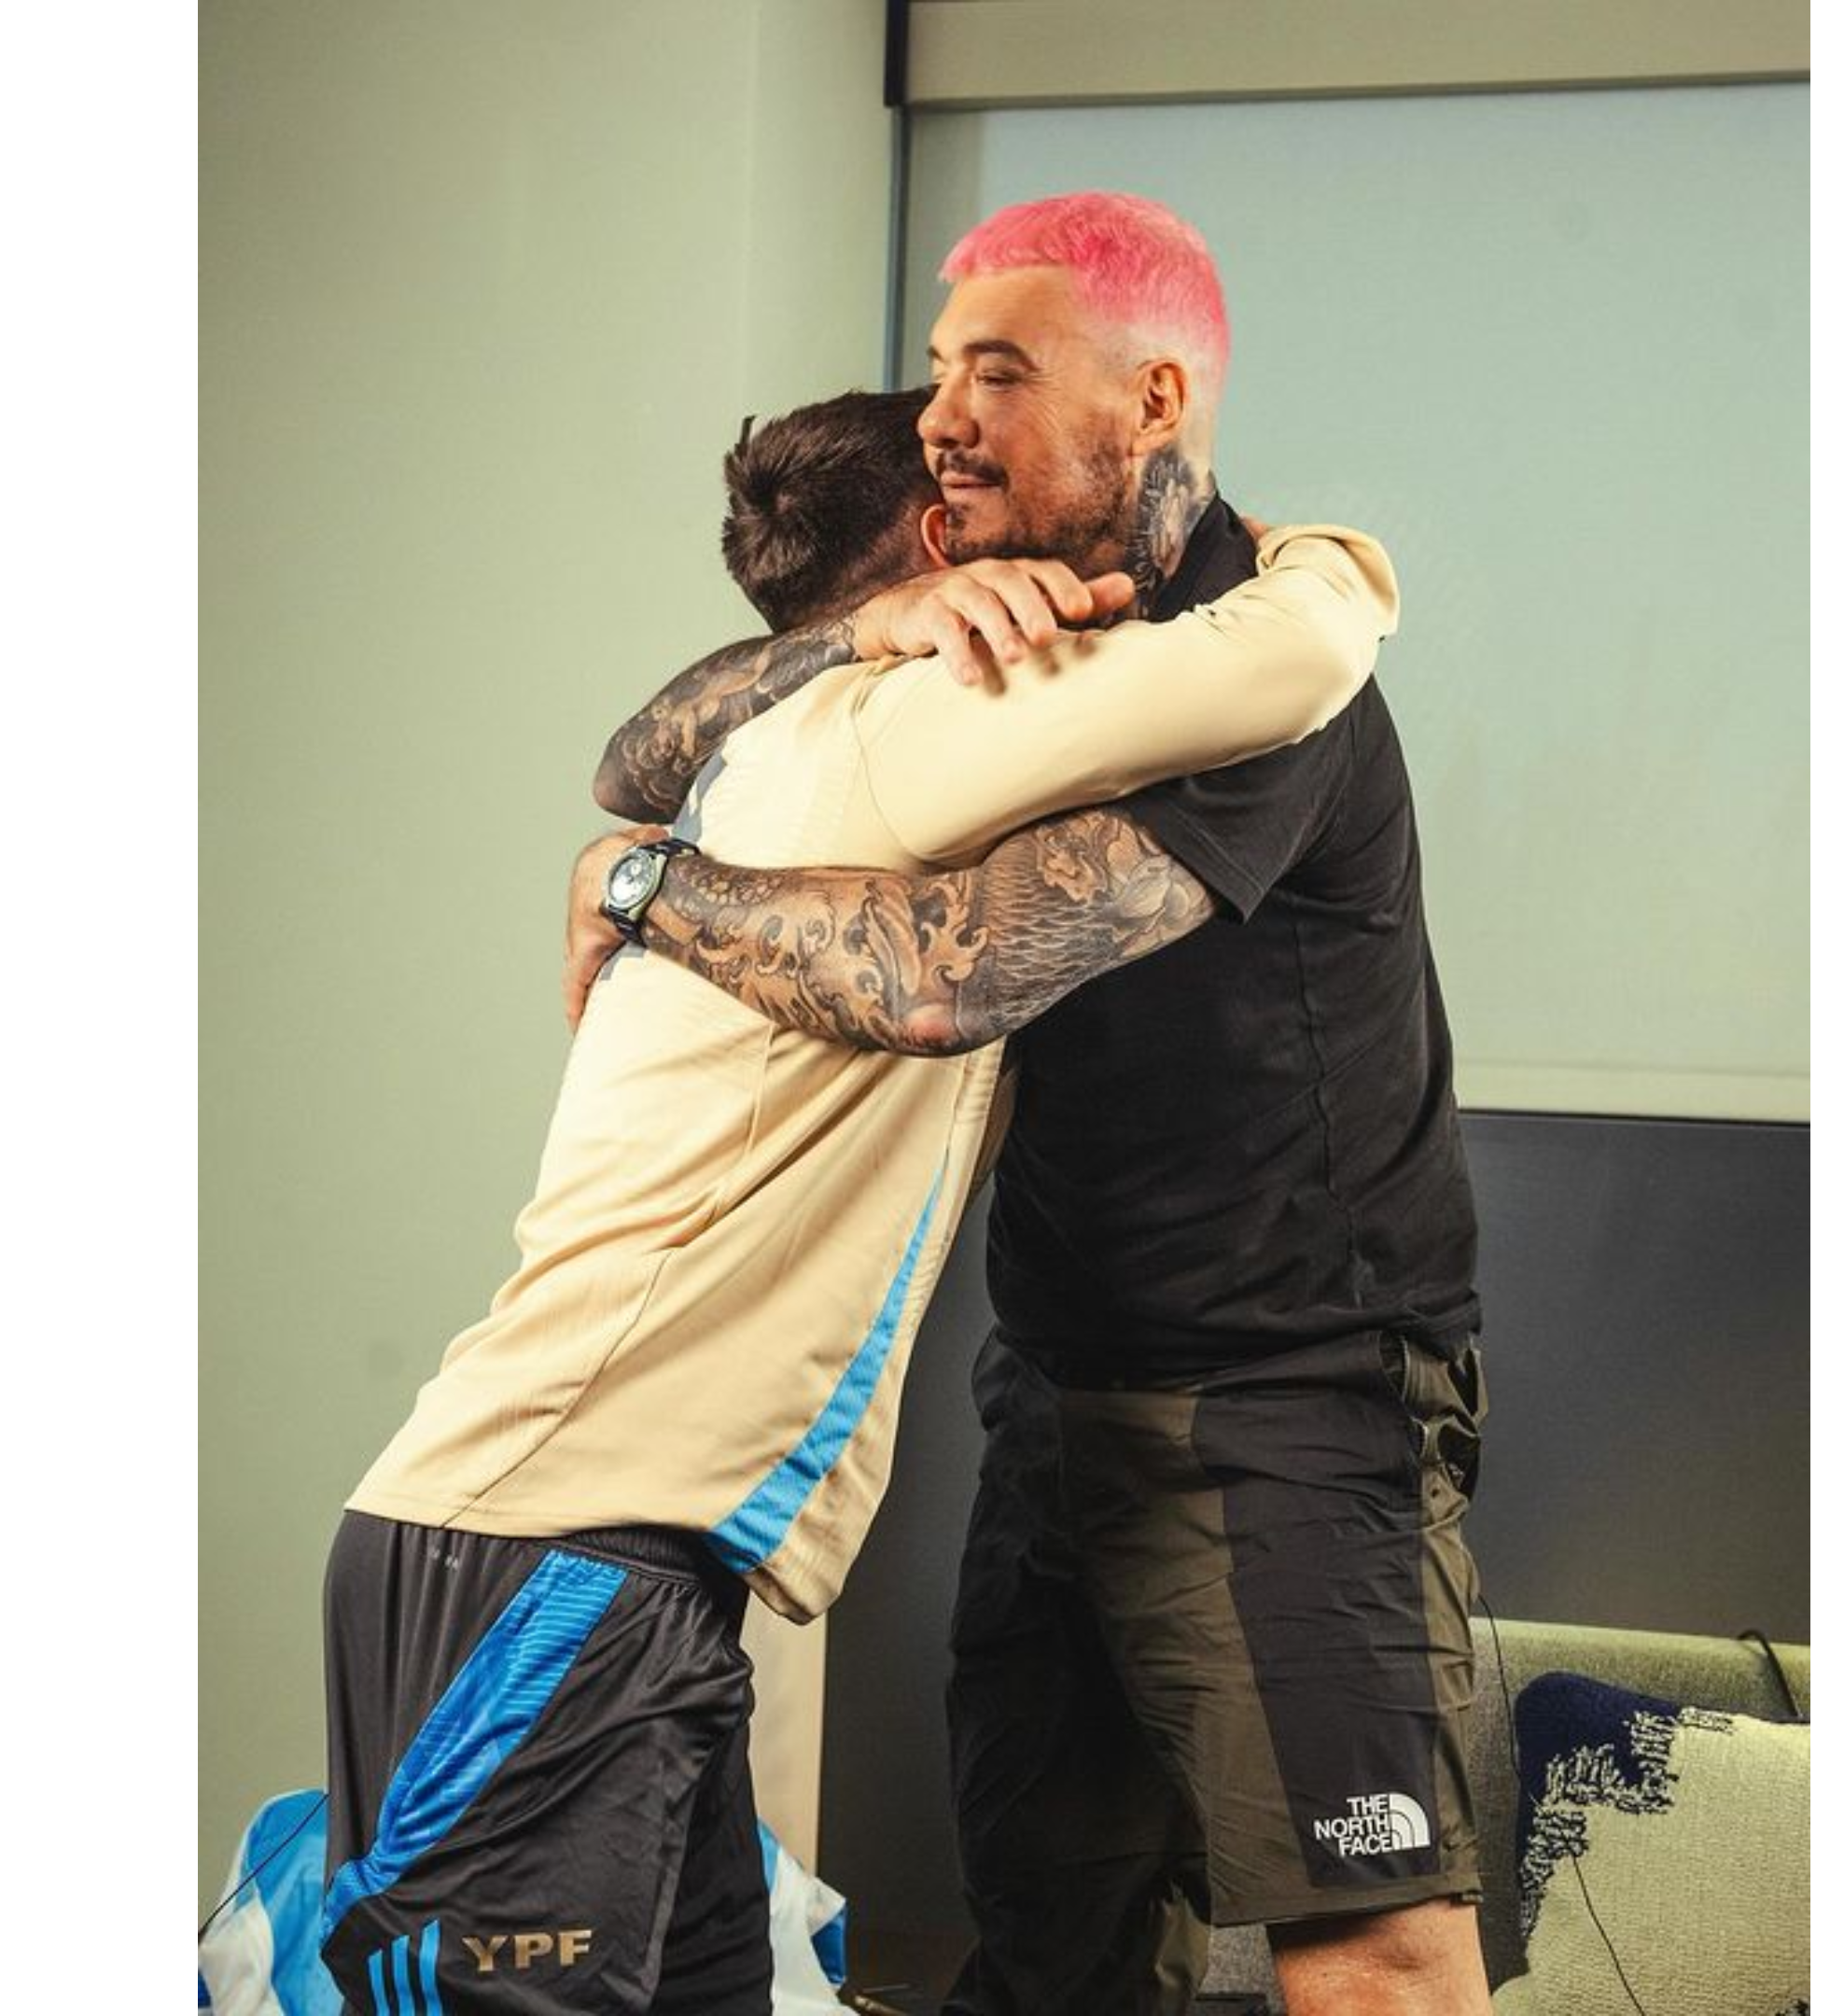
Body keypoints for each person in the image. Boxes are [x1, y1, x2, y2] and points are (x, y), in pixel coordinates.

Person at [324, 382, 1404, 2014]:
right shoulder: (897, 735)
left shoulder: (780, 732)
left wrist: (658, 831)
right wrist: (1326, 558)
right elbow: (1293, 655)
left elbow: (624, 756)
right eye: (982, 479)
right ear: (941, 544)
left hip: (628, 1570)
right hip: (552, 1555)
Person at [569, 192, 1488, 2016]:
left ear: (1152, 399)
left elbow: (947, 973)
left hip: (1292, 1406)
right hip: (1059, 1395)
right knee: (1058, 1950)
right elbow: (639, 755)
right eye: (936, 369)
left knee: (1372, 1949)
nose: (943, 414)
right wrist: (861, 635)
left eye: (997, 369)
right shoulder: (1008, 653)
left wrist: (640, 894)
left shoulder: (1257, 674)